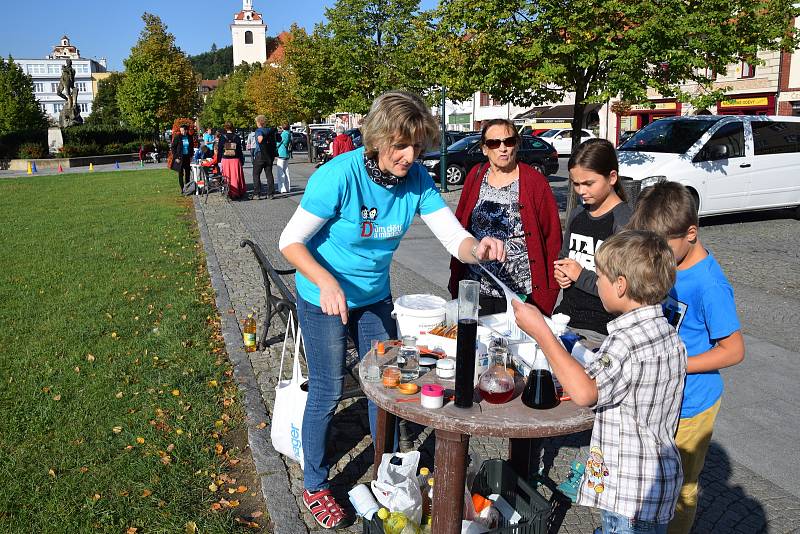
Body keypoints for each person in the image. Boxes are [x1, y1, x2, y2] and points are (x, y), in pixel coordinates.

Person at [278, 90, 506, 529]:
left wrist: (477, 247)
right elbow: (289, 241)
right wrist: (326, 281)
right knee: (327, 390)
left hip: (374, 295)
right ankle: (315, 483)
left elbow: (450, 234)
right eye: (400, 145)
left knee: (387, 383)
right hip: (323, 293)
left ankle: (388, 472)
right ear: (379, 138)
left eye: (417, 146)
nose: (408, 156)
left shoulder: (417, 178)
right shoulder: (339, 176)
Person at [513, 230, 687, 534]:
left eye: (600, 276)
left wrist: (541, 331)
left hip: (629, 497)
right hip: (657, 484)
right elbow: (623, 379)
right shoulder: (668, 332)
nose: (597, 282)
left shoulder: (625, 343)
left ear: (620, 285)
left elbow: (584, 392)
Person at [626, 182, 745, 534]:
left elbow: (734, 350)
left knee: (681, 488)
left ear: (691, 233)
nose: (657, 253)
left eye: (663, 245)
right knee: (654, 477)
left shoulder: (710, 285)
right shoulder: (671, 264)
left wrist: (677, 365)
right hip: (665, 396)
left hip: (693, 404)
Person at [448, 118, 562, 315]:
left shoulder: (534, 182)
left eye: (508, 142)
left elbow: (552, 238)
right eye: (494, 143)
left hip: (521, 293)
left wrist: (550, 290)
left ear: (516, 145)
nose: (502, 148)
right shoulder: (476, 175)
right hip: (478, 288)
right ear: (484, 149)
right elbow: (460, 225)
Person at [552, 138, 631, 337]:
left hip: (603, 329)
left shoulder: (624, 221)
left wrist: (580, 276)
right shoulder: (578, 214)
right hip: (567, 317)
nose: (581, 191)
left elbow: (624, 287)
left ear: (612, 177)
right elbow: (565, 255)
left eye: (588, 183)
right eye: (576, 184)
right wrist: (561, 272)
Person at [216, 122, 246, 199]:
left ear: (225, 128)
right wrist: (241, 160)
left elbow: (219, 150)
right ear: (232, 127)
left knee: (227, 176)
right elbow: (239, 150)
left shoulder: (222, 137)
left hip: (226, 159)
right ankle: (237, 192)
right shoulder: (237, 137)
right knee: (235, 176)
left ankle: (229, 192)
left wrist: (219, 161)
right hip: (235, 159)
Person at [253, 115, 277, 199]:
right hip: (269, 154)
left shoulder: (259, 130)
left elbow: (260, 139)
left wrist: (261, 139)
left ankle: (257, 193)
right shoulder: (270, 130)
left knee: (256, 174)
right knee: (269, 174)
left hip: (260, 154)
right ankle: (270, 193)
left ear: (259, 122)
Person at [170, 124, 193, 191]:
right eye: (181, 131)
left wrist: (191, 156)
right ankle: (182, 188)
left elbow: (191, 147)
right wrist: (176, 157)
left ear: (186, 130)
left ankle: (187, 187)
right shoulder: (178, 137)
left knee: (187, 173)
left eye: (183, 131)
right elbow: (173, 147)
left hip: (187, 157)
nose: (182, 132)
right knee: (180, 173)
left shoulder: (189, 137)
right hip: (180, 158)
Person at [275, 123, 292, 194]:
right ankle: (287, 187)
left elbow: (278, 143)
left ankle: (282, 188)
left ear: (282, 127)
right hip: (286, 154)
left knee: (280, 172)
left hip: (281, 153)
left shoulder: (283, 134)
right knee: (286, 171)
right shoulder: (289, 134)